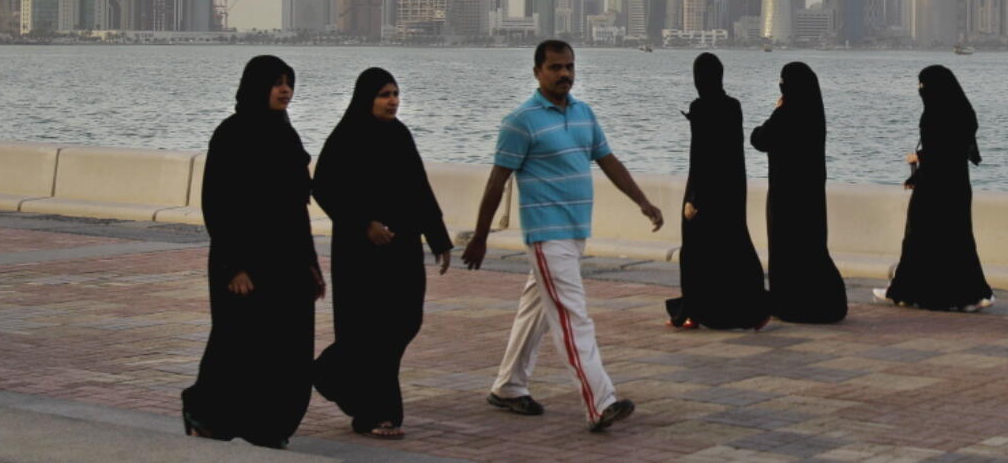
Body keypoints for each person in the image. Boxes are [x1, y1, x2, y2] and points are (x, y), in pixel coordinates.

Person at [462, 40, 664, 433]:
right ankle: (599, 401)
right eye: (555, 68)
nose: (564, 75)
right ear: (537, 72)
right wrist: (481, 236)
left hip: (575, 232)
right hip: (546, 235)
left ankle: (508, 386)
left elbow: (609, 162)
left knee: (535, 310)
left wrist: (643, 201)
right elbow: (496, 182)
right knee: (573, 317)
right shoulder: (520, 121)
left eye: (569, 67)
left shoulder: (584, 114)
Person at [182, 55, 325, 448]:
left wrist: (311, 264)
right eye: (276, 82)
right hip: (243, 262)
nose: (284, 90)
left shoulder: (285, 134)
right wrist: (235, 267)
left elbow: (297, 208)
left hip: (287, 261)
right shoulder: (232, 134)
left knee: (288, 349)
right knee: (238, 345)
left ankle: (271, 427)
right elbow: (219, 204)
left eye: (289, 82)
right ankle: (204, 411)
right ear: (255, 86)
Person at [311, 67, 453, 439]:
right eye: (383, 95)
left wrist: (438, 239)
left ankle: (328, 373)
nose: (392, 101)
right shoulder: (346, 138)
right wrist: (364, 223)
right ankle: (376, 413)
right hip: (361, 255)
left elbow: (419, 189)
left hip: (402, 250)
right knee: (368, 330)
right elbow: (324, 187)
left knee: (404, 321)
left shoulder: (400, 135)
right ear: (366, 99)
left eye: (395, 94)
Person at [875, 65, 994, 312]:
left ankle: (903, 291)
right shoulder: (963, 113)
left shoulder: (933, 115)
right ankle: (970, 295)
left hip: (933, 188)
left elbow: (939, 151)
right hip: (957, 187)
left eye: (922, 85)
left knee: (918, 239)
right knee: (957, 241)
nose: (920, 90)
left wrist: (917, 161)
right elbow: (954, 150)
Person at [665, 52, 770, 330]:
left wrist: (693, 199)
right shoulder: (733, 106)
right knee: (735, 250)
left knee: (696, 252)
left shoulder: (700, 107)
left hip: (704, 191)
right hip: (731, 191)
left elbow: (700, 157)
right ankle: (755, 308)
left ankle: (693, 311)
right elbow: (731, 153)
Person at [750, 62, 847, 324]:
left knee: (786, 249)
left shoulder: (787, 113)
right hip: (810, 192)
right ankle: (822, 301)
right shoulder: (815, 113)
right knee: (810, 247)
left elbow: (759, 139)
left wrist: (776, 110)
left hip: (785, 193)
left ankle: (789, 302)